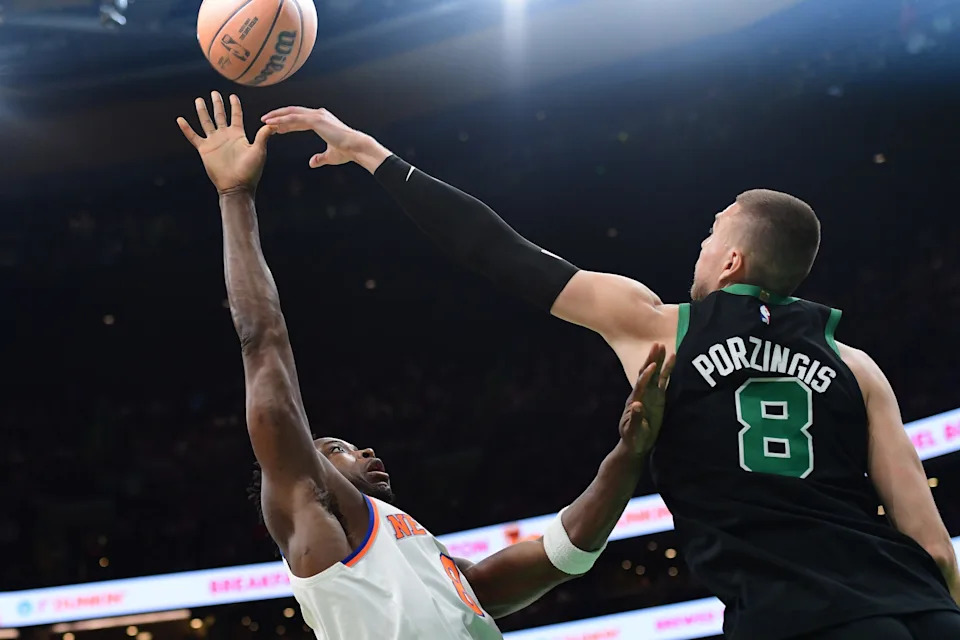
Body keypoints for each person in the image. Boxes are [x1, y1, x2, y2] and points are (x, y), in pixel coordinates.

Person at [259, 104, 960, 640]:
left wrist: (372, 153)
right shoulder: (856, 364)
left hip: (797, 617)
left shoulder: (658, 326)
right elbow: (931, 543)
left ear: (732, 263)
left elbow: (497, 251)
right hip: (921, 608)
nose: (703, 243)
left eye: (712, 233)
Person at [176, 92, 674, 640]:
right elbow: (262, 340)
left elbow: (560, 556)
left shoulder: (413, 548)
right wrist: (235, 195)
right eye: (337, 447)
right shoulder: (309, 507)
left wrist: (630, 453)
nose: (363, 450)